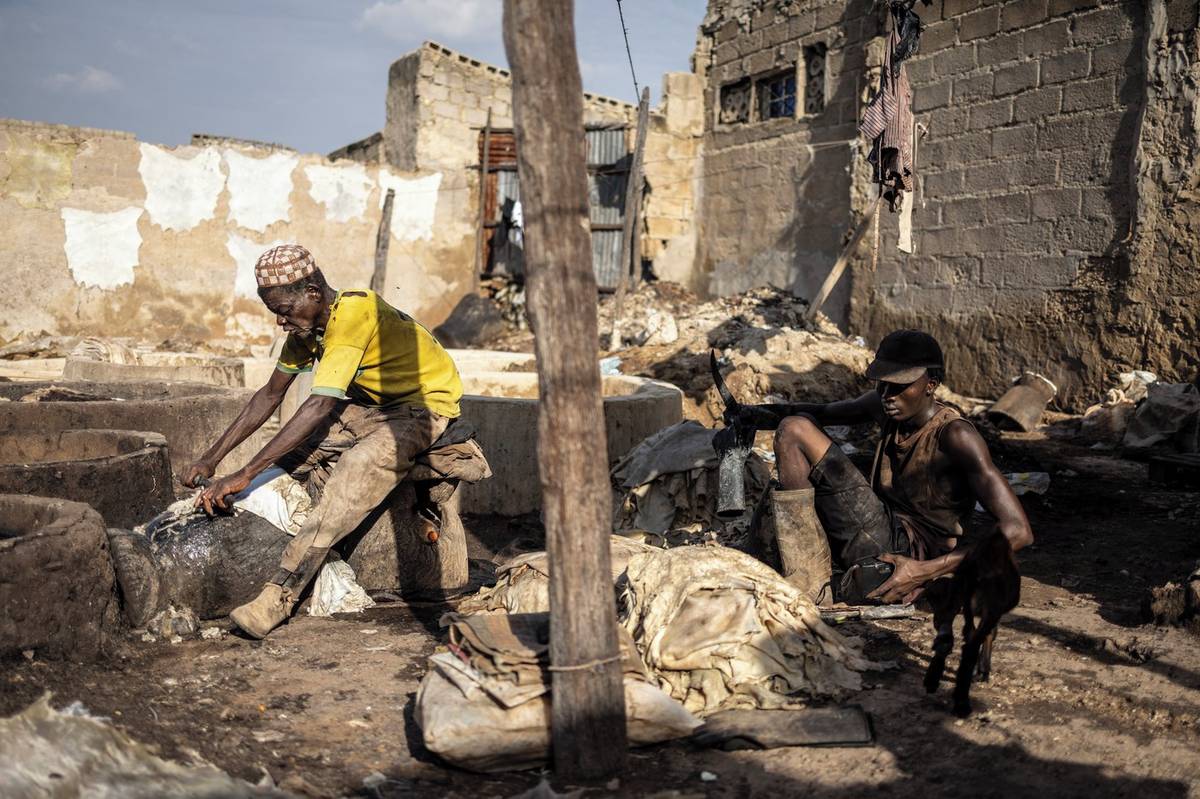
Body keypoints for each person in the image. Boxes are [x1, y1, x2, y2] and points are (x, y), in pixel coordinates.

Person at [182, 244, 464, 638]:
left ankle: (281, 593)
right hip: (371, 404)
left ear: (313, 293)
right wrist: (211, 460)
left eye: (284, 310)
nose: (280, 321)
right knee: (292, 456)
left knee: (357, 470)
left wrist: (243, 473)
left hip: (423, 406)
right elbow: (269, 395)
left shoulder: (354, 315)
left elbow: (319, 405)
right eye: (276, 312)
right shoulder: (307, 329)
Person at [734, 329, 1033, 605]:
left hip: (910, 551)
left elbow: (1019, 531)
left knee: (795, 430)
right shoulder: (884, 406)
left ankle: (809, 582)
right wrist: (749, 416)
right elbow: (820, 411)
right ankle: (808, 569)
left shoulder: (956, 435)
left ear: (930, 385)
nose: (888, 394)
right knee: (797, 437)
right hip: (878, 529)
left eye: (899, 386)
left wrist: (923, 571)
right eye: (882, 383)